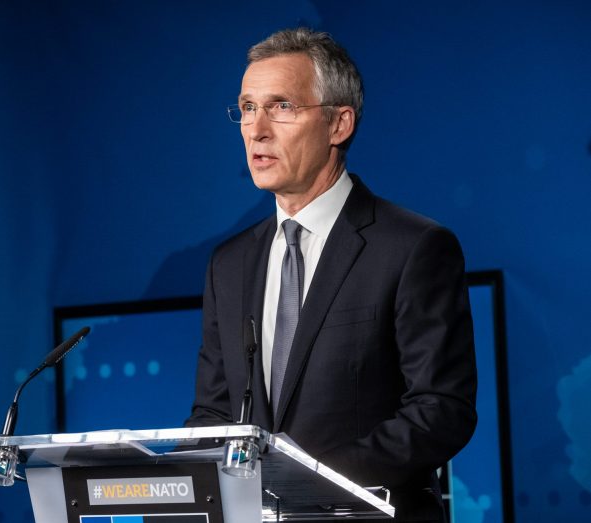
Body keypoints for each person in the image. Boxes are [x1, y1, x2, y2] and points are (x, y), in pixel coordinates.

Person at [185, 28, 477, 522]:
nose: (256, 129)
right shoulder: (229, 265)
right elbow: (214, 414)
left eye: (281, 106)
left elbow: (441, 410)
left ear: (339, 124)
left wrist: (307, 479)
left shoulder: (413, 247)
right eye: (248, 108)